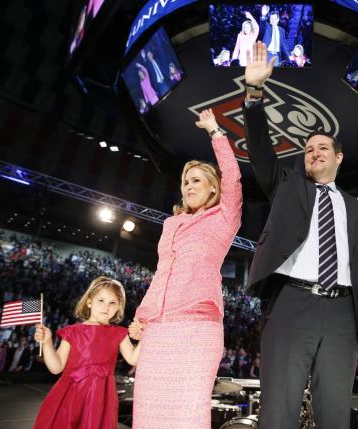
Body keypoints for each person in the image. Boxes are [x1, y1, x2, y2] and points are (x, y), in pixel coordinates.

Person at [241, 41, 358, 429]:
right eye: (308, 149)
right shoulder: (289, 186)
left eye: (322, 147)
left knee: (335, 416)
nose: (313, 153)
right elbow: (260, 152)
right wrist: (254, 94)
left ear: (339, 157)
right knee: (278, 413)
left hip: (342, 314)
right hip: (292, 304)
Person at [128, 109, 242, 429]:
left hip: (197, 328)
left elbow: (233, 178)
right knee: (150, 415)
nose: (188, 186)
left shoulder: (223, 219)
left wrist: (216, 133)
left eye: (196, 181)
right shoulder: (171, 224)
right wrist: (142, 317)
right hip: (159, 329)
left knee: (187, 415)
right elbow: (161, 274)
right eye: (185, 182)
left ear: (212, 188)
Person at [32, 276, 140, 429]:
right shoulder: (73, 332)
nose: (106, 307)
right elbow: (56, 367)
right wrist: (48, 343)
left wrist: (144, 337)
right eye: (101, 300)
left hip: (100, 398)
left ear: (118, 307)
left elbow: (133, 359)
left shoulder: (119, 334)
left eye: (112, 303)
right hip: (72, 394)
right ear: (89, 301)